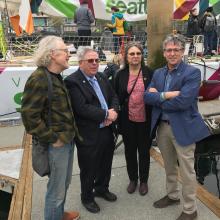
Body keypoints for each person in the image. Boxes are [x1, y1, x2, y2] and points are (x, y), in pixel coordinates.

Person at [144, 34, 210, 220]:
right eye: (168, 50)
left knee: (187, 171)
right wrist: (168, 95)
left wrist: (159, 97)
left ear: (182, 52)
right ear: (164, 53)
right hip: (163, 128)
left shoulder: (192, 72)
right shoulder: (158, 73)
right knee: (169, 166)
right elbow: (146, 97)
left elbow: (184, 102)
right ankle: (172, 196)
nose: (172, 53)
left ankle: (190, 210)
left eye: (176, 50)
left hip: (183, 126)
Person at [20, 36, 81, 220]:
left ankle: (58, 215)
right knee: (56, 190)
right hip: (56, 144)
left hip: (67, 141)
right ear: (53, 54)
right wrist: (54, 139)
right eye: (65, 50)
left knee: (63, 184)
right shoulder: (38, 78)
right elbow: (29, 118)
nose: (69, 54)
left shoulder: (55, 76)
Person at [65, 46, 119, 213]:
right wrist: (106, 114)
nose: (95, 63)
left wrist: (115, 112)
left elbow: (113, 97)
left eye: (97, 60)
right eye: (90, 60)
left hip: (107, 130)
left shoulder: (101, 77)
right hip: (89, 133)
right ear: (81, 62)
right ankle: (87, 197)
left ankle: (102, 188)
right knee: (89, 168)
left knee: (106, 163)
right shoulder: (72, 81)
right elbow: (81, 108)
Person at [114, 42, 153, 195]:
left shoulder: (149, 73)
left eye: (138, 53)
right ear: (127, 56)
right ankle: (133, 179)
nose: (135, 56)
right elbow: (115, 96)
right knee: (129, 151)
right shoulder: (120, 74)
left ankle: (143, 180)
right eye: (132, 54)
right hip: (127, 120)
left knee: (144, 152)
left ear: (142, 56)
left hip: (145, 120)